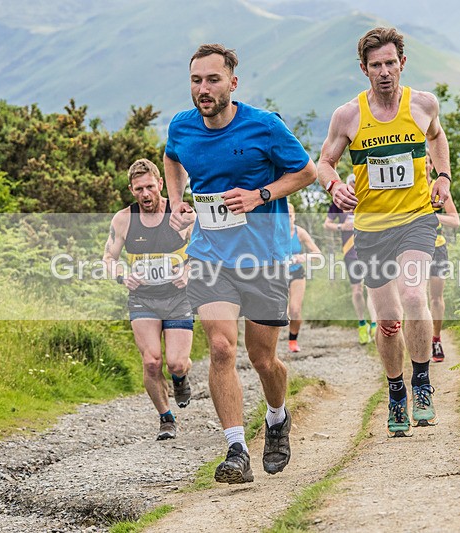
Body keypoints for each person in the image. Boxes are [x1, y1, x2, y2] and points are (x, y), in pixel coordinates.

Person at [164, 44, 317, 483]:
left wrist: (260, 195)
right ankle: (236, 449)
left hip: (264, 258)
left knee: (264, 359)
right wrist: (177, 203)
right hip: (210, 256)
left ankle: (276, 417)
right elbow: (172, 158)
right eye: (196, 80)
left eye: (213, 80)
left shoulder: (264, 127)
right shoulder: (182, 126)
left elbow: (305, 171)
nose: (203, 89)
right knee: (220, 348)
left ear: (233, 82)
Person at [317, 27, 452, 436]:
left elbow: (437, 137)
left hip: (416, 220)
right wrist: (335, 186)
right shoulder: (348, 116)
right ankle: (396, 392)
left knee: (414, 296)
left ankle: (422, 382)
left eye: (390, 63)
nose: (384, 72)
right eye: (375, 65)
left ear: (402, 63)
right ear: (364, 70)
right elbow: (324, 162)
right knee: (388, 319)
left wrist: (443, 177)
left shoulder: (423, 104)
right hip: (371, 229)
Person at [103, 158, 194, 441]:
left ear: (161, 185)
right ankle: (166, 418)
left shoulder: (181, 213)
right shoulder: (123, 219)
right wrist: (122, 276)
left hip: (178, 297)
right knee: (152, 362)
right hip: (143, 298)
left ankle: (179, 380)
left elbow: (206, 250)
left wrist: (190, 271)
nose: (145, 194)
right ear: (131, 189)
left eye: (150, 187)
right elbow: (108, 258)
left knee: (177, 363)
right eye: (139, 189)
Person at [323, 173, 377, 345]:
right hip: (350, 251)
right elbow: (327, 224)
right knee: (357, 290)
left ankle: (375, 325)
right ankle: (362, 323)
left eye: (357, 184)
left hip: (371, 249)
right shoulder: (340, 201)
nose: (354, 187)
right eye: (352, 184)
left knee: (372, 288)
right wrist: (342, 226)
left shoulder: (368, 198)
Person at [425, 150, 459, 363]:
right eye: (422, 161)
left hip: (437, 247)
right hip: (411, 249)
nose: (425, 165)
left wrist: (433, 217)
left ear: (431, 165)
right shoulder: (408, 190)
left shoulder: (437, 188)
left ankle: (436, 338)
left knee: (436, 297)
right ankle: (419, 339)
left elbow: (455, 220)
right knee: (414, 298)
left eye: (428, 162)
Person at [286, 203, 321, 353]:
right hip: (277, 274)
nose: (287, 219)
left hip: (296, 273)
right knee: (280, 312)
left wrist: (303, 257)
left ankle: (293, 340)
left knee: (295, 310)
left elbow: (317, 254)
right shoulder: (274, 232)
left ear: (294, 216)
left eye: (289, 216)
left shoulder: (300, 232)